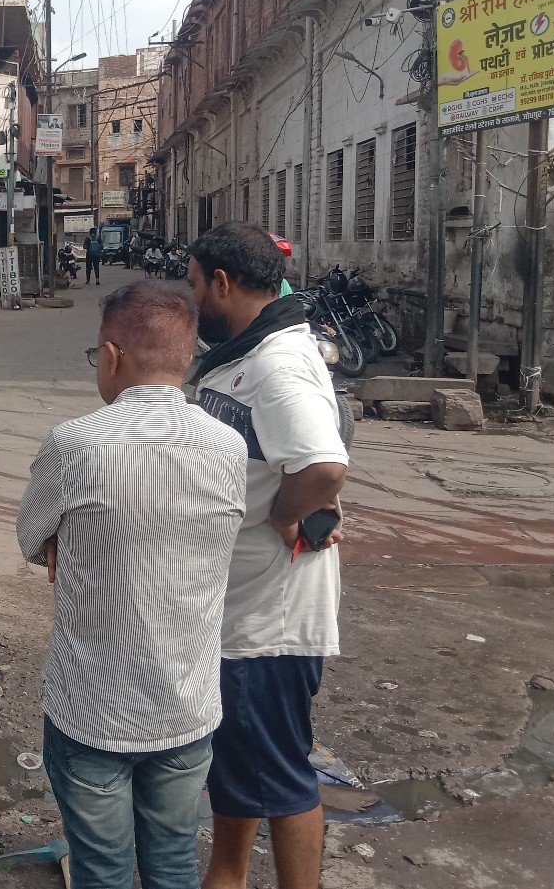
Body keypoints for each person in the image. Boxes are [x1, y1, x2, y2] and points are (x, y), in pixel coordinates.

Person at [18, 283, 247, 889]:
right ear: (186, 359)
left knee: (102, 869)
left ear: (112, 356)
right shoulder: (227, 448)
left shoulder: (75, 444)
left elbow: (28, 537)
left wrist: (66, 542)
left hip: (92, 713)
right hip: (187, 706)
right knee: (172, 862)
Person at [186, 222, 349, 889]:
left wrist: (286, 511)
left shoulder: (277, 365)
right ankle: (224, 875)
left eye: (195, 285)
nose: (191, 297)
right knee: (245, 768)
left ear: (222, 284)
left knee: (281, 775)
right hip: (243, 609)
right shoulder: (251, 351)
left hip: (268, 623)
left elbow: (322, 463)